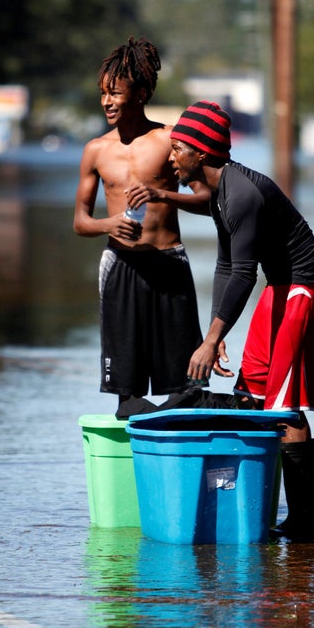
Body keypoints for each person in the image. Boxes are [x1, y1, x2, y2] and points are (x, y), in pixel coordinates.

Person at [167, 100, 314, 541]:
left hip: (304, 286)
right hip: (276, 288)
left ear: (200, 153)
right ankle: (262, 511)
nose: (171, 156)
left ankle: (305, 523)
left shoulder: (241, 193)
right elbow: (227, 267)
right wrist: (214, 334)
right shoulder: (221, 195)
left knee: (283, 406)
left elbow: (244, 273)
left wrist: (210, 342)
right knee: (250, 397)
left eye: (177, 147)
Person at [73, 38, 213, 418]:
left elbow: (208, 201)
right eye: (102, 93)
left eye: (115, 93)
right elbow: (80, 222)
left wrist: (161, 195)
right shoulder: (96, 150)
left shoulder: (170, 140)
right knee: (127, 396)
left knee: (184, 390)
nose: (106, 102)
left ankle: (179, 462)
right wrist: (108, 225)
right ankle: (133, 464)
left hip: (170, 265)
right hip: (122, 268)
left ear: (142, 92)